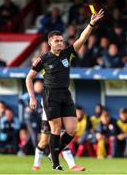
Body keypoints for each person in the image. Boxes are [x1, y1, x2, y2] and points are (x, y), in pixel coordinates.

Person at [26, 9, 104, 170]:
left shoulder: (68, 53)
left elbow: (82, 38)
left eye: (61, 40)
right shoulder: (43, 58)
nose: (60, 43)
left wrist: (91, 23)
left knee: (72, 130)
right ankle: (56, 163)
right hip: (50, 95)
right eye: (57, 41)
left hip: (65, 94)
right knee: (55, 129)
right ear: (50, 43)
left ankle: (53, 153)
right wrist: (32, 97)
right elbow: (29, 78)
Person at [32, 102, 85, 171]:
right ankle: (36, 165)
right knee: (43, 142)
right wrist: (32, 97)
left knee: (62, 139)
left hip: (61, 115)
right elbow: (40, 93)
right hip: (48, 115)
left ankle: (72, 165)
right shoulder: (46, 92)